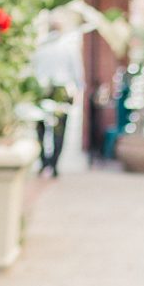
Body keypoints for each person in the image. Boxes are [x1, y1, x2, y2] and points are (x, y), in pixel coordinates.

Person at [32, 23, 84, 176]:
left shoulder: (41, 47)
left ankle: (44, 162)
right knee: (59, 128)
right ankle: (54, 164)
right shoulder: (68, 48)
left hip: (42, 90)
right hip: (61, 90)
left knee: (41, 128)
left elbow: (33, 68)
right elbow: (77, 72)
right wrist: (79, 90)